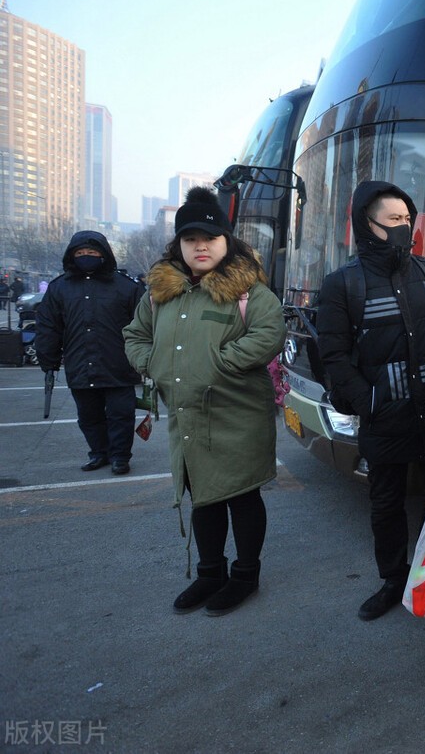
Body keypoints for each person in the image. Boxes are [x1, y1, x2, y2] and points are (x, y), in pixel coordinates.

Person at [123, 187, 286, 615]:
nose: (201, 246)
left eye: (210, 238)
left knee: (241, 495)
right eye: (190, 238)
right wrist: (153, 363)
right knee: (203, 495)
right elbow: (134, 336)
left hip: (238, 414)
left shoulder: (249, 291)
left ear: (226, 241)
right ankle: (209, 574)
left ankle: (245, 577)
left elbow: (269, 333)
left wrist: (220, 362)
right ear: (177, 244)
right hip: (188, 415)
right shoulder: (160, 295)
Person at [317, 180, 425, 621]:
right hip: (386, 420)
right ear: (368, 224)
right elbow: (335, 357)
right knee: (385, 506)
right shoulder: (342, 284)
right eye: (394, 220)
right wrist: (371, 402)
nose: (406, 229)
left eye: (408, 219)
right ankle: (393, 581)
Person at [36, 231, 145, 474]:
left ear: (104, 255)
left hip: (119, 364)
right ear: (72, 256)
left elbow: (144, 325)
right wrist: (48, 359)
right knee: (88, 416)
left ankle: (119, 456)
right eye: (81, 253)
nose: (86, 257)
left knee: (121, 416)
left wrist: (145, 359)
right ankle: (98, 453)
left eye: (92, 253)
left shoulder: (126, 288)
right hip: (80, 364)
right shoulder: (59, 288)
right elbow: (48, 326)